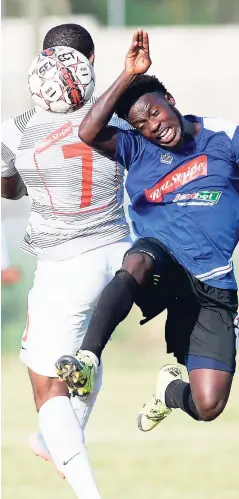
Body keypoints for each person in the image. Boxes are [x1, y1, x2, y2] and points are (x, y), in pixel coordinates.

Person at [56, 29, 239, 434]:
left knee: (209, 404)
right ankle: (87, 358)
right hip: (163, 263)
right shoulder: (136, 148)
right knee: (137, 257)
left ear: (171, 103)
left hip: (212, 283)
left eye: (155, 114)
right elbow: (87, 132)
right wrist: (128, 74)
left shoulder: (222, 137)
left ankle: (169, 392)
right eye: (141, 124)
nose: (153, 126)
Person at [1, 23, 133, 499]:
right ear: (90, 61)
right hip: (121, 257)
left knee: (44, 383)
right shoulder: (116, 117)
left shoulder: (18, 128)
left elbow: (6, 186)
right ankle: (58, 441)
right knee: (84, 358)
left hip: (65, 264)